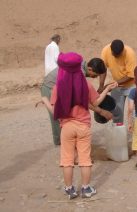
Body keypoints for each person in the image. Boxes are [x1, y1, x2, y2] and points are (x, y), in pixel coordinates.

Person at [41, 52, 117, 199]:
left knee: (67, 160)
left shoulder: (58, 86)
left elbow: (54, 111)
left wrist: (44, 101)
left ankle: (70, 189)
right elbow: (94, 103)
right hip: (83, 126)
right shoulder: (85, 84)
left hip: (66, 128)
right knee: (85, 159)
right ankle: (86, 189)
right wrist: (107, 89)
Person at [38, 57, 113, 145]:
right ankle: (62, 143)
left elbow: (103, 71)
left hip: (60, 87)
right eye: (95, 75)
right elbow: (83, 100)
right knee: (58, 116)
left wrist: (101, 86)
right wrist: (101, 111)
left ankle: (69, 142)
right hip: (50, 87)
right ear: (90, 69)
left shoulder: (84, 65)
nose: (95, 77)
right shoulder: (79, 73)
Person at [100, 39, 137, 123]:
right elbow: (103, 69)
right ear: (111, 49)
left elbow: (131, 75)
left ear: (122, 50)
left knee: (134, 112)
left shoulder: (130, 53)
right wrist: (101, 86)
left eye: (118, 54)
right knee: (117, 112)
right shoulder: (106, 51)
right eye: (114, 54)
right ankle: (118, 132)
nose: (116, 56)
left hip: (132, 86)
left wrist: (115, 83)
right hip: (116, 86)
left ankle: (136, 133)